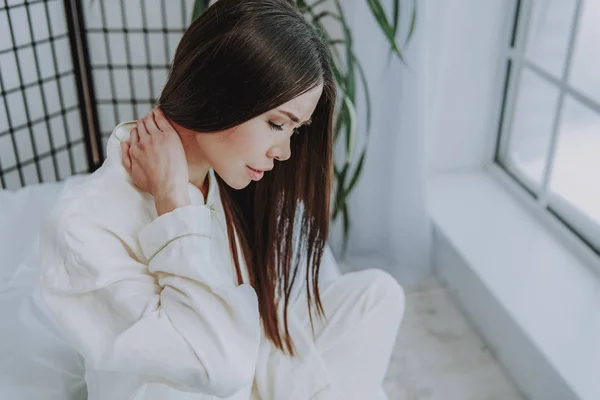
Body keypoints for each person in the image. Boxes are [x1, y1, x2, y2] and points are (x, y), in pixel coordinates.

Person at [38, 0, 405, 399]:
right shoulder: (81, 227)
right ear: (220, 92)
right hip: (190, 385)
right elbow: (216, 364)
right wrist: (174, 205)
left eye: (293, 131)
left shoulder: (222, 179)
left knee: (378, 296)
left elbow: (249, 332)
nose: (283, 152)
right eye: (276, 124)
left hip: (247, 365)